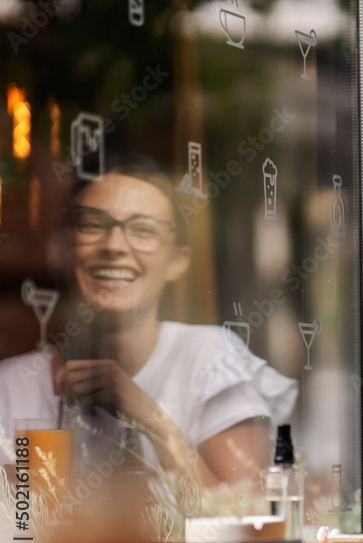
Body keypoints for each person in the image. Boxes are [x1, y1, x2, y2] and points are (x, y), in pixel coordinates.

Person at [0, 157, 297, 486]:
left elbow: (246, 518)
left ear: (177, 261)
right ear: (61, 251)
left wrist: (147, 414)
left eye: (143, 229)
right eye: (93, 225)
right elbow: (20, 534)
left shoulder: (211, 360)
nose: (114, 246)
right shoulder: (12, 388)